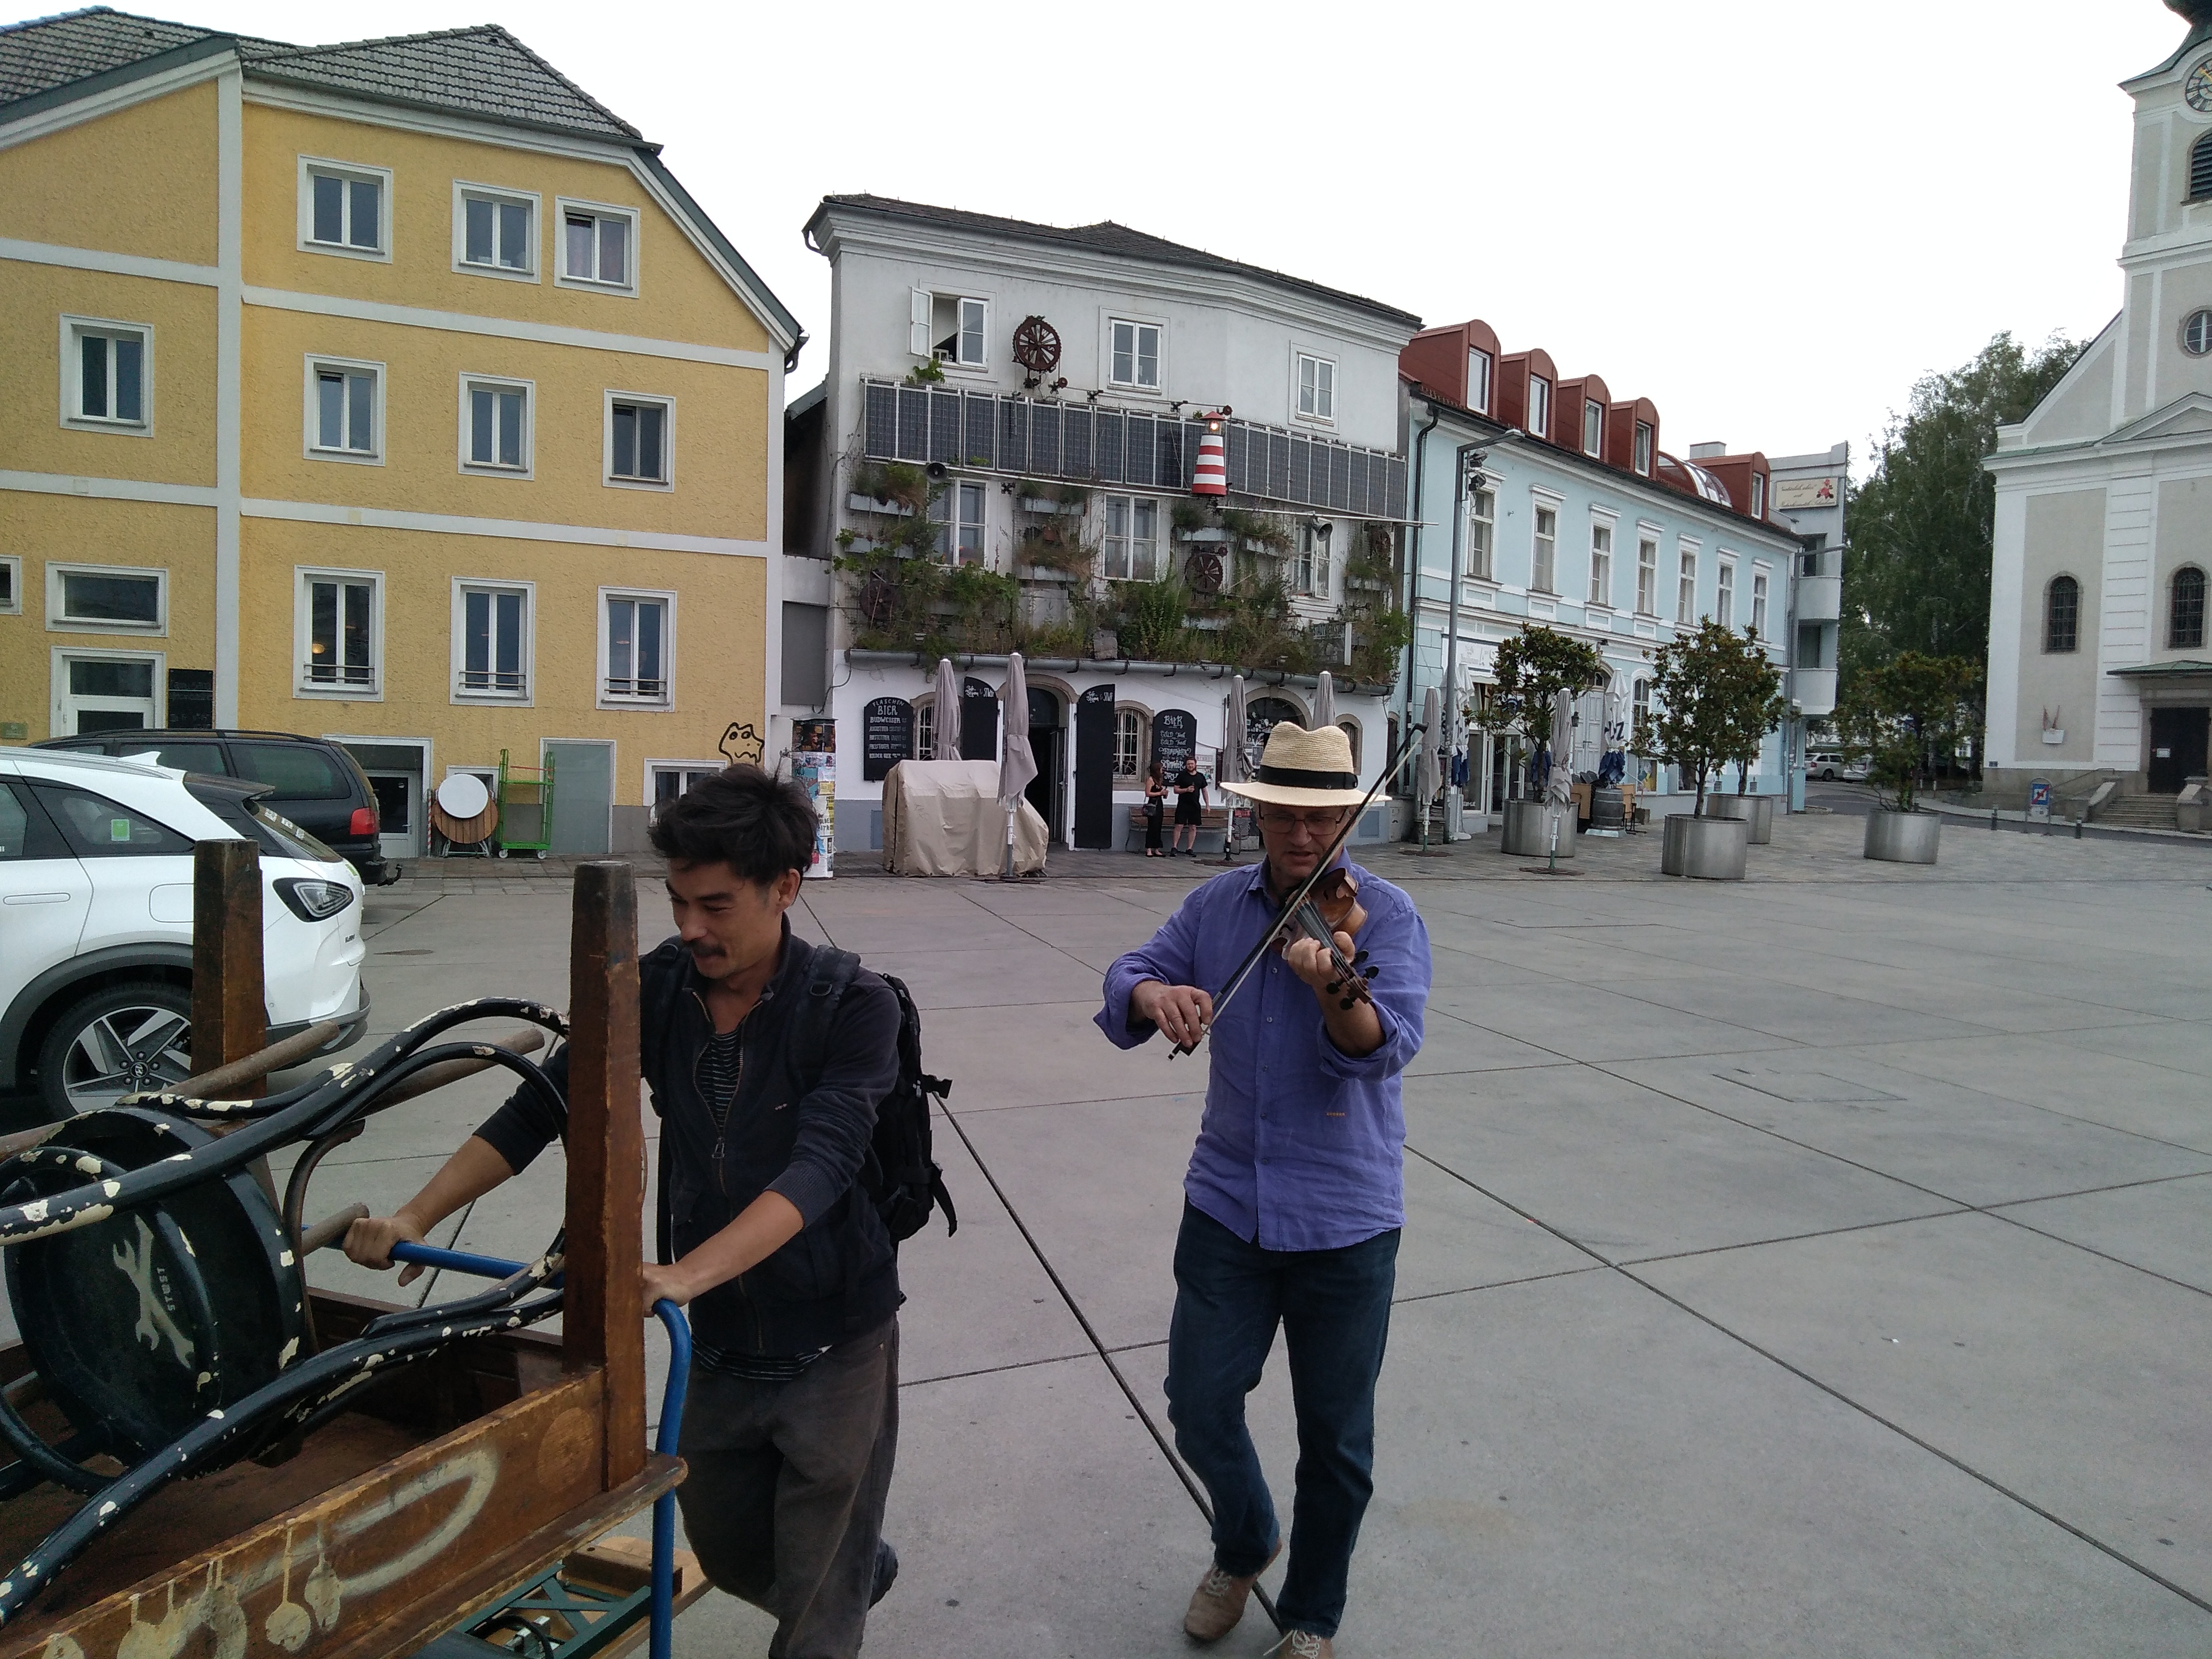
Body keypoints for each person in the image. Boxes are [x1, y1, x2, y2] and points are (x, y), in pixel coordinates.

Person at [346, 766, 904, 1659]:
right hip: (718, 1342)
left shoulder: (852, 1005)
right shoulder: (659, 988)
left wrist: (685, 1272)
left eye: (715, 906)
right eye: (678, 902)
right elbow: (540, 1108)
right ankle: (847, 1563)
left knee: (816, 1622)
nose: (690, 927)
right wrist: (415, 1215)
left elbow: (824, 1165)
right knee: (725, 1544)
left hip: (836, 1340)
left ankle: (835, 1577)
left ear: (785, 888)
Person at [1094, 723, 1430, 1659]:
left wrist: (1334, 990)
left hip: (1345, 1214)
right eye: (1285, 815)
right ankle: (1246, 1543)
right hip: (1228, 1205)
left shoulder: (1386, 916)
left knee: (1336, 1439)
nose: (1303, 835)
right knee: (1197, 1402)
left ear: (1346, 817)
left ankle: (1312, 1617)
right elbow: (1129, 970)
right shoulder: (1216, 906)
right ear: (1259, 816)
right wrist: (1152, 997)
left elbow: (1384, 1048)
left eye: (1321, 818)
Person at [1171, 751, 1208, 856]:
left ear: (1195, 764)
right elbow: (1176, 790)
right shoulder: (1182, 775)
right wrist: (1186, 790)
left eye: (1192, 764)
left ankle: (1189, 849)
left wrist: (1207, 805)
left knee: (1193, 827)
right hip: (1183, 804)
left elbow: (1204, 791)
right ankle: (1174, 847)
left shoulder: (1200, 777)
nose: (1190, 766)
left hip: (1195, 805)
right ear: (1186, 765)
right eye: (1188, 764)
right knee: (1179, 826)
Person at [1143, 759, 1168, 857]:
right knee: (1152, 827)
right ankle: (1149, 849)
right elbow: (1148, 793)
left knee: (1158, 827)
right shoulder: (1151, 780)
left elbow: (1160, 794)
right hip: (1153, 804)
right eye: (1161, 769)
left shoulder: (1159, 780)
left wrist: (1164, 794)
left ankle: (1157, 849)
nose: (1163, 770)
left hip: (1159, 804)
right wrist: (1160, 793)